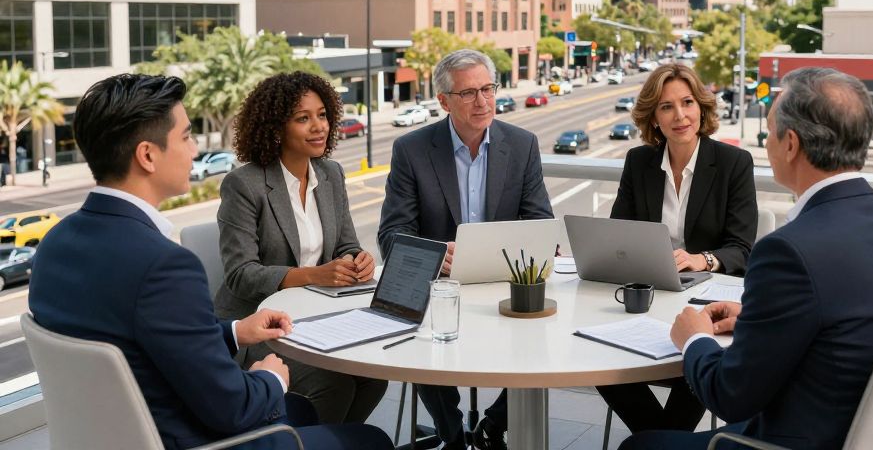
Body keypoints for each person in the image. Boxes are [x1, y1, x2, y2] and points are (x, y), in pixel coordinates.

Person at [28, 74, 392, 450]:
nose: (195, 150)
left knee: (313, 409)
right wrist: (271, 380)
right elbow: (234, 408)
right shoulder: (164, 266)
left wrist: (234, 332)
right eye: (186, 136)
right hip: (199, 438)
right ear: (147, 155)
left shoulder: (54, 244)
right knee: (373, 440)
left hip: (122, 433)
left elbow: (159, 339)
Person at [621, 67, 873, 450]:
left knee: (640, 446)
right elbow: (851, 323)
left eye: (770, 131)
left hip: (800, 440)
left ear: (790, 144)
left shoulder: (788, 250)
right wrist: (758, 320)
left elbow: (730, 395)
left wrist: (694, 339)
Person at [378, 49, 553, 450]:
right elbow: (392, 235)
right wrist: (437, 254)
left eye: (488, 89)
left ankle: (494, 425)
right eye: (469, 93)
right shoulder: (412, 150)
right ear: (444, 101)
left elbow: (540, 223)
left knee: (545, 336)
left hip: (502, 283)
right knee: (415, 336)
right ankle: (452, 434)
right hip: (439, 285)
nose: (483, 101)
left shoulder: (522, 145)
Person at [216, 72, 387, 425]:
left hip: (318, 317)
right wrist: (313, 275)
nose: (318, 127)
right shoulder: (244, 185)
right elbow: (240, 274)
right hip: (261, 326)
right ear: (276, 129)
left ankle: (337, 441)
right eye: (303, 118)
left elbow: (346, 243)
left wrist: (358, 260)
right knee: (334, 384)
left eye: (322, 115)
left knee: (373, 377)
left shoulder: (331, 174)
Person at [598, 63, 757, 433]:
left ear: (702, 107)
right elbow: (619, 235)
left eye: (687, 102)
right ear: (653, 118)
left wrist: (701, 259)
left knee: (702, 361)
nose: (680, 115)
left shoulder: (734, 163)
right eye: (666, 107)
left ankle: (656, 441)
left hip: (706, 303)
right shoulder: (639, 162)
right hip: (649, 299)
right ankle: (663, 440)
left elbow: (743, 249)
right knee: (603, 363)